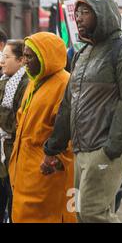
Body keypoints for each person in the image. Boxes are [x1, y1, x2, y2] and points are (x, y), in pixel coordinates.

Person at [43, 0, 122, 223]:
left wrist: (111, 148)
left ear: (103, 13)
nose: (79, 18)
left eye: (85, 12)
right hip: (82, 150)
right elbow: (68, 106)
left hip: (106, 149)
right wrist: (53, 148)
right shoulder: (82, 55)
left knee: (93, 213)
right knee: (82, 213)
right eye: (77, 13)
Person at [8, 33, 75, 223]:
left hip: (45, 174)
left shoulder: (64, 84)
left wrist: (57, 158)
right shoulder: (34, 82)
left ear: (46, 56)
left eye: (30, 56)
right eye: (25, 56)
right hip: (23, 173)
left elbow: (70, 130)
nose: (25, 61)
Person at [0, 40, 28, 223]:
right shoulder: (4, 80)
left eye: (6, 57)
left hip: (14, 152)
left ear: (21, 60)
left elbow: (17, 122)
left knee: (13, 202)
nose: (2, 61)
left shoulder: (25, 84)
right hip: (4, 151)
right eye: (2, 57)